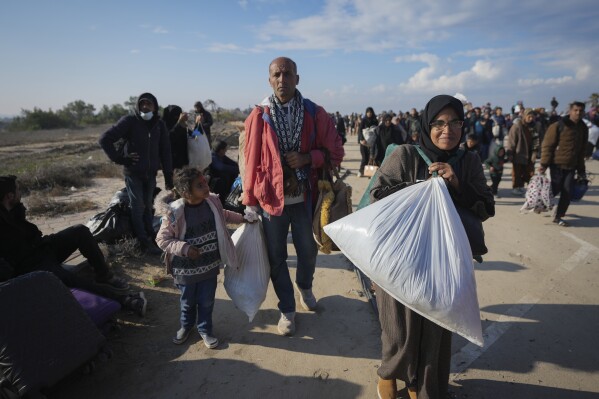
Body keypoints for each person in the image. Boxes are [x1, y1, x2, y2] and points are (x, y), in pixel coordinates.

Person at [369, 95, 494, 399]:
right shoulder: (405, 154)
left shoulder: (469, 161)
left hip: (444, 262)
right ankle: (389, 373)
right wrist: (418, 187)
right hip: (400, 257)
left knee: (436, 328)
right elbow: (376, 196)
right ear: (426, 125)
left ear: (463, 126)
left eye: (454, 122)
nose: (446, 129)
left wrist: (457, 187)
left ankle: (422, 386)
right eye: (438, 122)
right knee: (398, 328)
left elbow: (485, 208)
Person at [242, 56, 344, 336]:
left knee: (308, 251)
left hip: (306, 200)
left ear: (297, 79)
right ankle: (287, 308)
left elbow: (336, 153)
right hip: (271, 202)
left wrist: (307, 158)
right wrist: (249, 200)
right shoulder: (258, 116)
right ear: (269, 79)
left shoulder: (315, 113)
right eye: (276, 74)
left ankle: (305, 287)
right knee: (276, 257)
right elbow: (249, 160)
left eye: (287, 74)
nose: (282, 80)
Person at [0, 175, 147, 315]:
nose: (20, 193)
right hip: (31, 265)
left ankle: (104, 276)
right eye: (18, 190)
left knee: (79, 231)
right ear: (9, 196)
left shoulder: (13, 210)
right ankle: (125, 300)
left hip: (42, 247)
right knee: (70, 278)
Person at [156, 167, 248, 348]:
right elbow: (162, 239)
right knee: (187, 302)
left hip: (209, 266)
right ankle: (186, 326)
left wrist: (243, 219)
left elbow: (224, 215)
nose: (206, 186)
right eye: (200, 185)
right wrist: (185, 248)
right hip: (185, 271)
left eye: (205, 182)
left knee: (206, 301)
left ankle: (205, 329)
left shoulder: (212, 202)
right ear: (185, 192)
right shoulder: (174, 213)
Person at [99, 93, 173, 255]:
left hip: (151, 174)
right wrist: (121, 159)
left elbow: (166, 151)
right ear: (138, 106)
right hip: (133, 173)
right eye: (142, 104)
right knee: (138, 206)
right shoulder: (130, 121)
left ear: (155, 106)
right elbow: (105, 139)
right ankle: (143, 241)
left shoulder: (159, 125)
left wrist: (168, 177)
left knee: (148, 206)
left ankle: (151, 236)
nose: (145, 107)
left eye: (149, 104)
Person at [539, 101, 588, 226]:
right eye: (575, 110)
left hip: (571, 166)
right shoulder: (558, 125)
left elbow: (581, 151)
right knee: (554, 189)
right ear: (570, 111)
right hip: (556, 164)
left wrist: (581, 170)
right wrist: (544, 164)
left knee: (567, 192)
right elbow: (547, 146)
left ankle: (559, 216)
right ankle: (541, 203)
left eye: (580, 110)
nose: (578, 113)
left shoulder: (583, 128)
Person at [506, 108, 537, 197]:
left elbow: (536, 140)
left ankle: (523, 187)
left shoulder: (533, 127)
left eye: (532, 116)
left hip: (530, 153)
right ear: (524, 116)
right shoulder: (517, 126)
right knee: (517, 171)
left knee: (528, 172)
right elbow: (511, 140)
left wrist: (536, 152)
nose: (531, 118)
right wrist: (510, 153)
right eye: (529, 116)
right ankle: (516, 187)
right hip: (519, 153)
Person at [209, 140, 240, 206]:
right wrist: (238, 170)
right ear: (221, 150)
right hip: (214, 183)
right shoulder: (213, 156)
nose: (226, 151)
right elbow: (221, 167)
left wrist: (240, 168)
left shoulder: (220, 155)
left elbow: (232, 164)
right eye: (225, 149)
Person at [162, 105, 190, 170]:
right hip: (170, 162)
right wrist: (179, 123)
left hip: (184, 162)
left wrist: (198, 124)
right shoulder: (162, 126)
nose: (177, 118)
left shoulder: (183, 126)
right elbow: (170, 137)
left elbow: (194, 136)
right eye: (175, 116)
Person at [358, 107, 378, 177]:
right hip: (364, 142)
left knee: (371, 157)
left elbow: (377, 131)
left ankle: (368, 172)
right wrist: (361, 139)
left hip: (372, 143)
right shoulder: (364, 120)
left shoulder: (375, 121)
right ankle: (360, 171)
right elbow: (360, 130)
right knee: (364, 157)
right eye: (368, 112)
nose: (369, 114)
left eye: (370, 112)